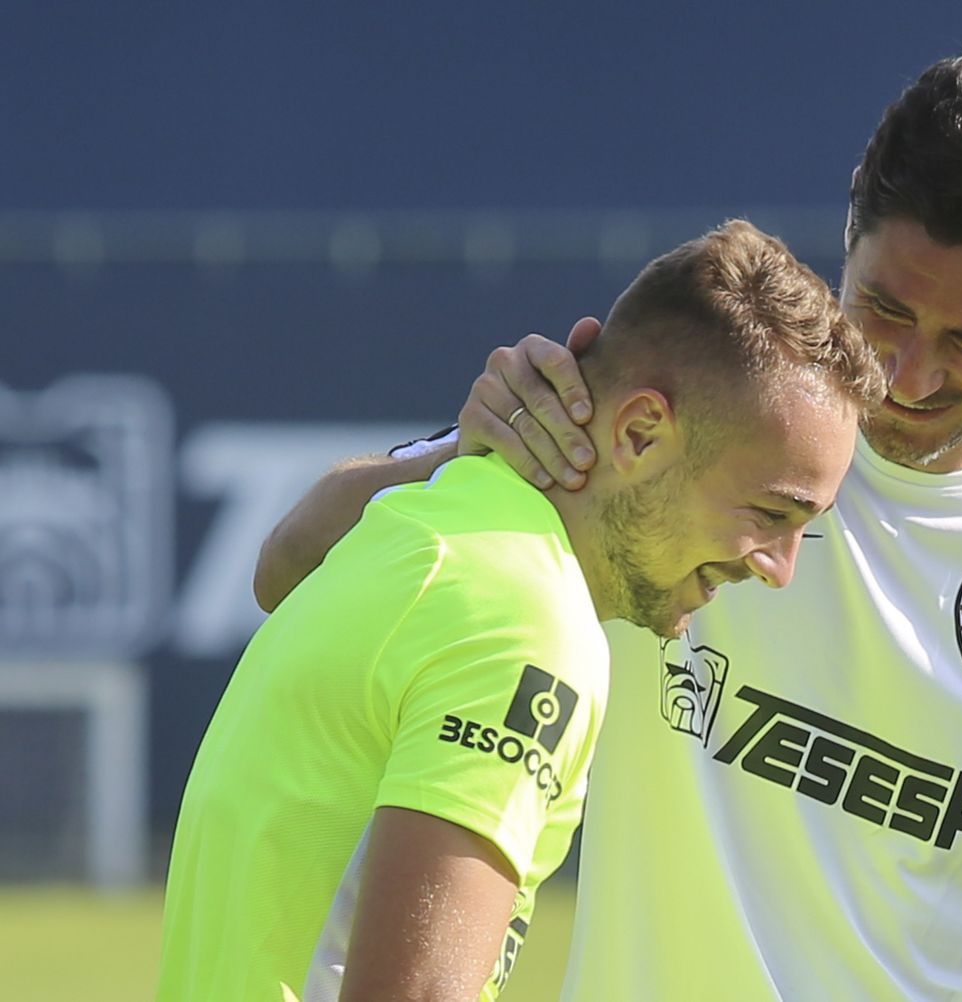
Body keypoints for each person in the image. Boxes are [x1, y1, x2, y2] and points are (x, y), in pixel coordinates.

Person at [256, 44, 962, 1002]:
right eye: (885, 309)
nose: (907, 375)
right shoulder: (691, 420)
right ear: (850, 227)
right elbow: (293, 565)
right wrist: (468, 457)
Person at [156, 220, 882, 1002]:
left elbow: (281, 566)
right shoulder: (528, 623)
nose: (780, 568)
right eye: (772, 513)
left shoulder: (423, 518)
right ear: (640, 433)